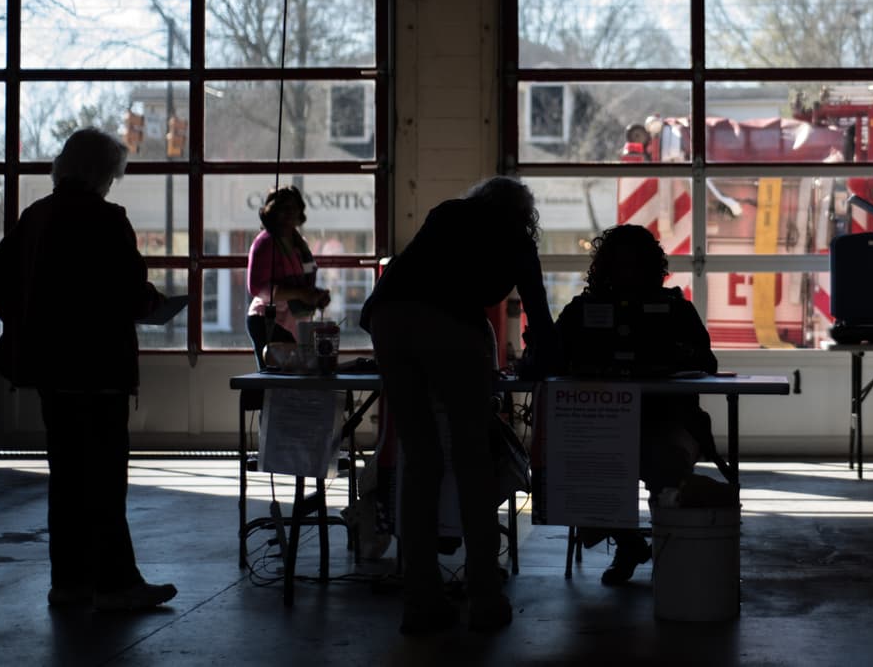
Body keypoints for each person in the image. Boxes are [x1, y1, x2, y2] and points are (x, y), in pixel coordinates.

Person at [0, 128, 177, 611]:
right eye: (112, 175)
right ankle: (116, 583)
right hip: (101, 369)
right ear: (99, 173)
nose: (112, 184)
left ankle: (69, 583)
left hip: (54, 371)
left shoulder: (37, 216)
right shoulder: (107, 220)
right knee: (106, 479)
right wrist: (154, 303)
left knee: (67, 478)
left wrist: (25, 324)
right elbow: (129, 292)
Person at [359, 176, 557, 636]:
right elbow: (538, 312)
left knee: (420, 460)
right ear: (523, 213)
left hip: (388, 321)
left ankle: (421, 601)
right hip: (450, 327)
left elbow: (410, 276)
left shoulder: (447, 214)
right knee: (472, 460)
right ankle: (484, 597)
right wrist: (543, 362)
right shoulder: (516, 238)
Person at [554, 224, 725, 586]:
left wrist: (674, 356)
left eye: (635, 265)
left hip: (668, 423)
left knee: (665, 460)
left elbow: (707, 362)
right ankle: (629, 544)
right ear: (607, 268)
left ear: (650, 267)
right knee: (580, 462)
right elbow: (550, 357)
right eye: (620, 265)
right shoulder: (582, 310)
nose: (627, 273)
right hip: (600, 426)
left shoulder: (676, 309)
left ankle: (668, 547)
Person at [245, 185, 331, 369]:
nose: (289, 212)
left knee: (289, 379)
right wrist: (301, 294)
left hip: (293, 322)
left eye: (294, 207)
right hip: (267, 320)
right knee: (276, 379)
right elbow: (256, 287)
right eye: (283, 208)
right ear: (272, 212)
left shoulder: (300, 245)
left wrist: (315, 296)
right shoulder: (265, 242)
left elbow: (303, 285)